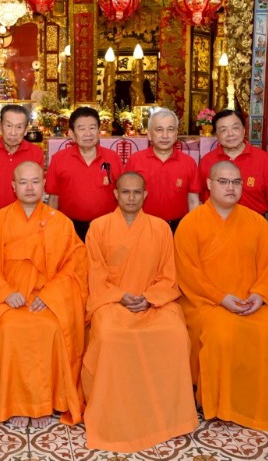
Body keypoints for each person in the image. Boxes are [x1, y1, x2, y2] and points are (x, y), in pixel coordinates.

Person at [174, 161, 268, 434]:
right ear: (209, 185)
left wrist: (259, 295)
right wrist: (221, 298)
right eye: (224, 182)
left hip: (251, 300)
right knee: (222, 333)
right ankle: (223, 404)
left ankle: (262, 404)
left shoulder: (257, 222)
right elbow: (188, 273)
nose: (231, 187)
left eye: (236, 182)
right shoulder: (190, 223)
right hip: (206, 303)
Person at [82, 172, 197, 452]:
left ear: (145, 195)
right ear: (116, 194)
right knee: (109, 335)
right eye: (126, 192)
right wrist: (120, 296)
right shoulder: (99, 227)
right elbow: (95, 275)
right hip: (112, 302)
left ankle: (169, 414)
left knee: (175, 333)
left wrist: (149, 298)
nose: (131, 198)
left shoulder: (160, 228)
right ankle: (112, 408)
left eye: (137, 192)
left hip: (152, 302)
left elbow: (168, 276)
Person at [0, 161, 87, 429]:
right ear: (13, 186)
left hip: (46, 299)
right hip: (8, 300)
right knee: (9, 328)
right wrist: (5, 293)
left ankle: (45, 402)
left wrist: (49, 295)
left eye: (35, 181)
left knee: (51, 327)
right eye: (23, 182)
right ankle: (16, 402)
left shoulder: (60, 222)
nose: (29, 187)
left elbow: (74, 266)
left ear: (44, 185)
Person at [45, 107, 122, 241]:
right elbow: (53, 198)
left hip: (106, 227)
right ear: (71, 134)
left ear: (99, 131)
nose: (88, 134)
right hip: (70, 227)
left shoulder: (112, 158)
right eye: (81, 129)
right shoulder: (59, 159)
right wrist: (52, 227)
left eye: (92, 128)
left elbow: (122, 193)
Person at [199, 109, 268, 232]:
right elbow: (200, 199)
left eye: (235, 128)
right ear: (216, 134)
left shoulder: (263, 159)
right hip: (215, 229)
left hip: (254, 228)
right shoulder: (207, 161)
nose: (230, 134)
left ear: (244, 130)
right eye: (223, 130)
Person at [123, 108, 200, 232]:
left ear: (176, 134)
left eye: (170, 130)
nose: (165, 135)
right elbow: (126, 198)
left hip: (179, 227)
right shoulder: (135, 161)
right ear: (149, 134)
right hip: (143, 227)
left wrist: (193, 229)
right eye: (159, 130)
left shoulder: (189, 162)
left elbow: (193, 201)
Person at [0, 105, 44, 218]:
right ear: (0, 126)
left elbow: (37, 191)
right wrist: (3, 217)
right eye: (9, 126)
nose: (13, 133)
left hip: (26, 218)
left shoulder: (36, 153)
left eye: (19, 127)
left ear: (26, 130)